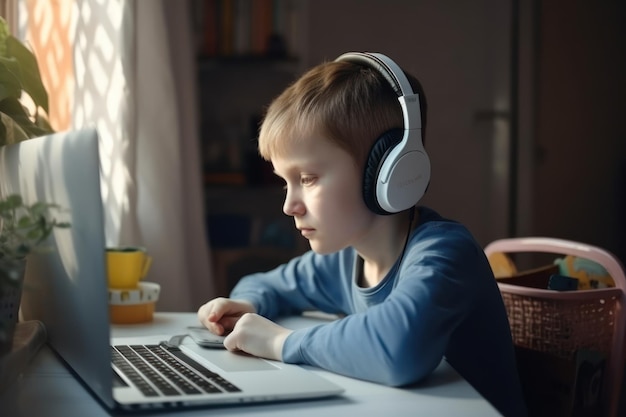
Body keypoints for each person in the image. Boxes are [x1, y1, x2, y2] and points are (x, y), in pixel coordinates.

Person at [198, 52, 527, 417]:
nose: (290, 206)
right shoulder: (343, 260)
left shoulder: (445, 253)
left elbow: (398, 349)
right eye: (285, 183)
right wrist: (249, 305)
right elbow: (263, 284)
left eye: (307, 179)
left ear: (389, 172)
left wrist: (281, 342)